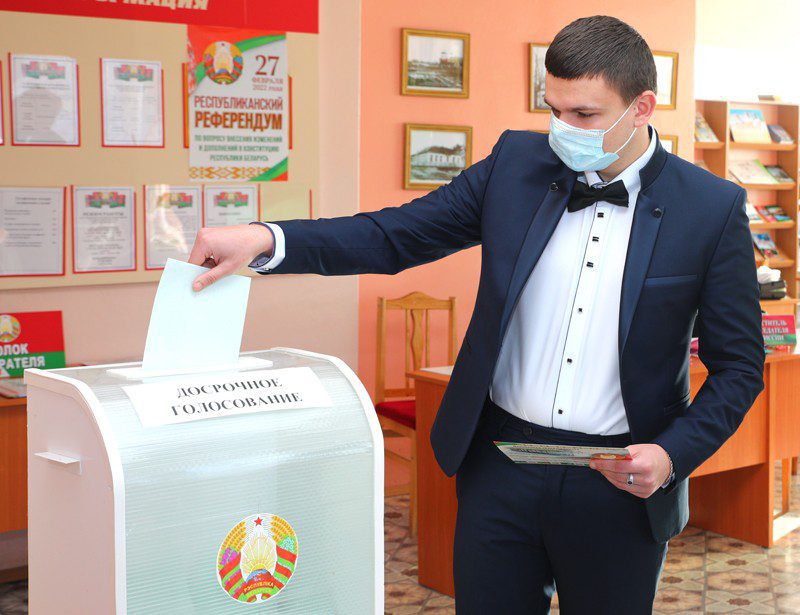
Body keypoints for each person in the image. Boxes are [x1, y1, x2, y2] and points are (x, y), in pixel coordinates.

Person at [187, 15, 765, 614]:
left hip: (620, 482)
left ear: (641, 107)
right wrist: (266, 238)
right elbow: (394, 235)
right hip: (500, 469)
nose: (563, 129)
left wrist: (671, 455)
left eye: (584, 114)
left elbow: (740, 367)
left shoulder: (711, 208)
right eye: (554, 109)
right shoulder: (516, 165)